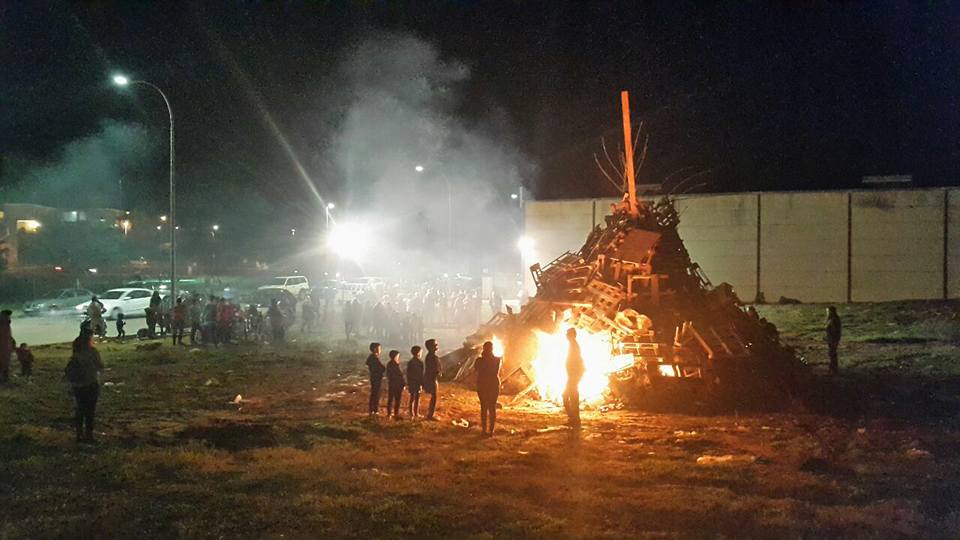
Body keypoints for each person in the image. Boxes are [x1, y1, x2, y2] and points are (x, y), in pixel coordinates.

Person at [64, 329, 104, 443]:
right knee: (90, 411)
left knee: (80, 409)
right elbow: (100, 366)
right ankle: (89, 435)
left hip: (78, 386)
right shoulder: (92, 352)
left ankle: (79, 434)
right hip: (91, 383)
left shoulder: (77, 352)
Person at [474, 341, 502, 436]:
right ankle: (491, 430)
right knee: (492, 407)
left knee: (484, 407)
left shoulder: (479, 360)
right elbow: (494, 371)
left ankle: (484, 429)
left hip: (482, 384)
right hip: (493, 384)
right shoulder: (497, 360)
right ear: (492, 349)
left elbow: (477, 370)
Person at [563, 328, 585, 428]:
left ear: (572, 335)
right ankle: (574, 419)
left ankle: (574, 419)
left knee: (569, 396)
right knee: (572, 397)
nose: (566, 335)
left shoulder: (574, 346)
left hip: (573, 375)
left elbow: (576, 361)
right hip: (573, 375)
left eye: (567, 334)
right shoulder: (573, 345)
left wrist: (574, 374)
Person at [423, 338, 442, 420]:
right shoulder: (432, 357)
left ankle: (431, 414)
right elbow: (433, 369)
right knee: (434, 397)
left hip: (432, 378)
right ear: (430, 347)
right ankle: (431, 415)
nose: (437, 346)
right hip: (432, 379)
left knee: (434, 396)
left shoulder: (430, 356)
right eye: (435, 345)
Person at [385, 350, 406, 419]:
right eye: (398, 356)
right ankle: (396, 414)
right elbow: (400, 375)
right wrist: (403, 384)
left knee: (390, 399)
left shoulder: (389, 364)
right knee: (397, 400)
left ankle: (389, 414)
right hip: (397, 385)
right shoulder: (396, 365)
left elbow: (388, 374)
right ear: (395, 356)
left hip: (391, 384)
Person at [366, 342, 385, 416]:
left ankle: (372, 409)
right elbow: (381, 368)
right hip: (376, 378)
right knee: (376, 393)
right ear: (374, 349)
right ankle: (374, 409)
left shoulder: (373, 358)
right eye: (379, 348)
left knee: (374, 393)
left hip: (374, 377)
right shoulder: (374, 358)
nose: (380, 350)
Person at [406, 345, 424, 418]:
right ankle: (416, 413)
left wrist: (408, 382)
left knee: (412, 398)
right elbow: (421, 374)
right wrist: (421, 383)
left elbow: (408, 373)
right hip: (417, 382)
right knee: (417, 398)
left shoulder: (410, 362)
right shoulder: (420, 362)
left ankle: (411, 413)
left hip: (411, 382)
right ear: (418, 353)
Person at [826, 306, 842, 374]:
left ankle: (833, 369)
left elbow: (835, 331)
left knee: (832, 354)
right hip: (832, 340)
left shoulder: (833, 320)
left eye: (827, 311)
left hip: (832, 340)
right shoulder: (835, 319)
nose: (827, 313)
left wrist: (834, 340)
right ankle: (832, 369)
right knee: (832, 354)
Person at [0, 310, 13, 383]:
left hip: (5, 346)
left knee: (4, 362)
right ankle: (4, 377)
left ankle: (5, 377)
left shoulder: (5, 322)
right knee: (4, 362)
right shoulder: (4, 322)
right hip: (4, 347)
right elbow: (5, 334)